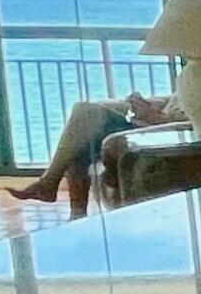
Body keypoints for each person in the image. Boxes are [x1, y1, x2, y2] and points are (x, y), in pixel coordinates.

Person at [12, 89, 190, 215]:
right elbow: (170, 100)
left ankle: (51, 186)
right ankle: (65, 203)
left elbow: (192, 121)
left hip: (152, 133)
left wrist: (154, 116)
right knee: (81, 131)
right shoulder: (190, 80)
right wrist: (144, 103)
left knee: (85, 114)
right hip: (142, 126)